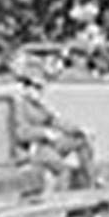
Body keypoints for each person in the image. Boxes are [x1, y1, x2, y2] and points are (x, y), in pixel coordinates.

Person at [12, 56, 94, 190]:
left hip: (50, 144)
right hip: (34, 148)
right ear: (25, 86)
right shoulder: (18, 105)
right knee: (63, 169)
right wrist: (44, 133)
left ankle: (90, 184)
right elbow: (20, 133)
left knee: (82, 141)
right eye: (36, 87)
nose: (39, 91)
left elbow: (57, 121)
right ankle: (61, 202)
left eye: (41, 87)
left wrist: (78, 129)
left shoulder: (40, 105)